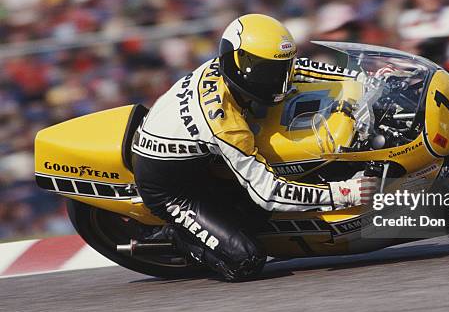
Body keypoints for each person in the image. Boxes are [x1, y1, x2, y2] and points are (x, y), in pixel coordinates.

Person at [131, 14, 378, 281]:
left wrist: (367, 80)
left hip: (201, 157)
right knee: (246, 259)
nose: (281, 81)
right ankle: (175, 236)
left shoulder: (234, 66)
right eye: (268, 72)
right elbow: (268, 192)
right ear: (238, 62)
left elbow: (303, 69)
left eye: (282, 68)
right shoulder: (225, 122)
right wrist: (342, 193)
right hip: (171, 184)